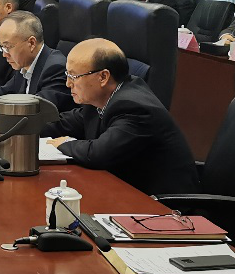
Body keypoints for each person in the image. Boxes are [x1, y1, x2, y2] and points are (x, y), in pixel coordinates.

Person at [42, 39, 199, 196]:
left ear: (103, 77)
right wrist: (29, 127)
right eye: (67, 75)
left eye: (74, 76)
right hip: (126, 190)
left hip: (162, 202)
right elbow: (64, 123)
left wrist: (64, 143)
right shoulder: (99, 99)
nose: (68, 83)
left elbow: (98, 154)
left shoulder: (134, 107)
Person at [0, 11, 75, 113]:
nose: (4, 54)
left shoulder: (55, 68)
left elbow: (36, 109)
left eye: (8, 47)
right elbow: (6, 90)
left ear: (31, 43)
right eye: (2, 47)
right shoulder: (25, 63)